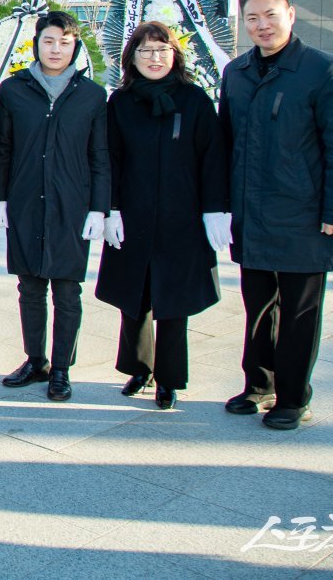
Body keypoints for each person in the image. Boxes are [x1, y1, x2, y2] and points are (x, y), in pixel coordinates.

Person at [219, 0, 333, 430]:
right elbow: (226, 142)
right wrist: (223, 207)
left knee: (300, 311)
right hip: (252, 211)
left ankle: (293, 396)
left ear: (291, 14)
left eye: (270, 15)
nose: (262, 25)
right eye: (252, 19)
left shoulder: (324, 70)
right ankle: (258, 383)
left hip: (304, 214)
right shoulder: (237, 72)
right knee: (258, 303)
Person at [98, 21, 229, 410]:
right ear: (131, 58)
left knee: (174, 299)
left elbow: (213, 159)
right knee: (134, 296)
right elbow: (112, 160)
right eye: (145, 51)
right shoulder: (120, 103)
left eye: (162, 50)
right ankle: (139, 367)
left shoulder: (194, 101)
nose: (154, 58)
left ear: (174, 55)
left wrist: (214, 210)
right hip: (134, 214)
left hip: (181, 217)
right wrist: (112, 209)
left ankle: (169, 378)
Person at [0, 10, 109, 403]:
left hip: (71, 205)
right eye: (49, 40)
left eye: (64, 41)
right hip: (25, 202)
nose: (56, 48)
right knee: (29, 287)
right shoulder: (13, 90)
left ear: (75, 45)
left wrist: (100, 208)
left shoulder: (92, 95)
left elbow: (100, 157)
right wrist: (0, 198)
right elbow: (3, 150)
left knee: (67, 290)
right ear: (36, 43)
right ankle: (35, 359)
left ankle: (61, 368)